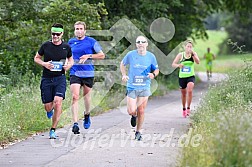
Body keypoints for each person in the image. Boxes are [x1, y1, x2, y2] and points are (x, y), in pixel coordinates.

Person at [34, 23, 74, 139]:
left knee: (58, 101)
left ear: (62, 34)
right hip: (46, 78)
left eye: (57, 34)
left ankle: (53, 130)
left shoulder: (66, 47)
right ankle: (49, 110)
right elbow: (36, 58)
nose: (55, 36)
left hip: (60, 79)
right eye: (53, 34)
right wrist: (44, 64)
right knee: (48, 106)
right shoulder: (46, 45)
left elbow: (71, 60)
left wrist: (68, 66)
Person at [68, 21, 105, 134]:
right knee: (75, 96)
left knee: (87, 97)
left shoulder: (91, 41)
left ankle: (87, 114)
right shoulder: (71, 42)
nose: (79, 31)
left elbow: (102, 55)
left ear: (85, 30)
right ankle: (75, 123)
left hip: (88, 73)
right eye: (77, 29)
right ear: (74, 30)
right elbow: (67, 56)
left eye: (80, 29)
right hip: (75, 72)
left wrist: (89, 55)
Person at [120, 36, 159, 141]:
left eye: (143, 42)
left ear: (147, 44)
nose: (140, 44)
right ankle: (133, 116)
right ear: (136, 44)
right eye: (138, 42)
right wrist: (124, 75)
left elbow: (156, 70)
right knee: (131, 110)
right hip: (132, 86)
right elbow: (122, 64)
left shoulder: (151, 56)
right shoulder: (131, 55)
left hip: (144, 86)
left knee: (141, 110)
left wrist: (153, 75)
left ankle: (138, 132)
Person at [172, 40, 200, 118]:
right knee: (184, 94)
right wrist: (178, 65)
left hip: (191, 76)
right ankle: (184, 108)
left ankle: (188, 108)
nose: (189, 48)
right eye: (188, 46)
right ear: (185, 47)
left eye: (191, 47)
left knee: (190, 90)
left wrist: (193, 54)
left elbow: (198, 62)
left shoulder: (193, 54)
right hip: (182, 77)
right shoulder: (181, 55)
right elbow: (173, 64)